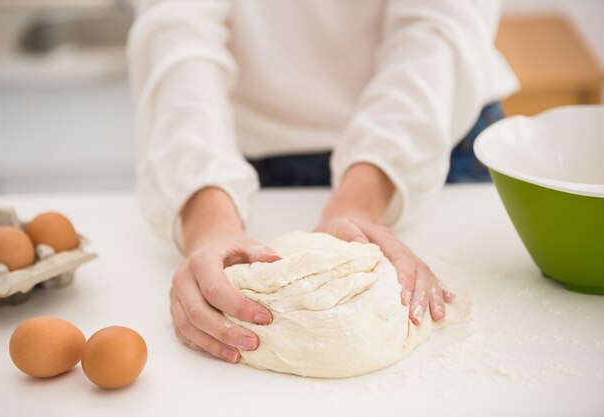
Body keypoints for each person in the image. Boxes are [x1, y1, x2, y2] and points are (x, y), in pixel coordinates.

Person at [128, 0, 518, 363]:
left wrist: (364, 197)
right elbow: (180, 27)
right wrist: (208, 217)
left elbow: (437, 24)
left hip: (431, 136)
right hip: (245, 152)